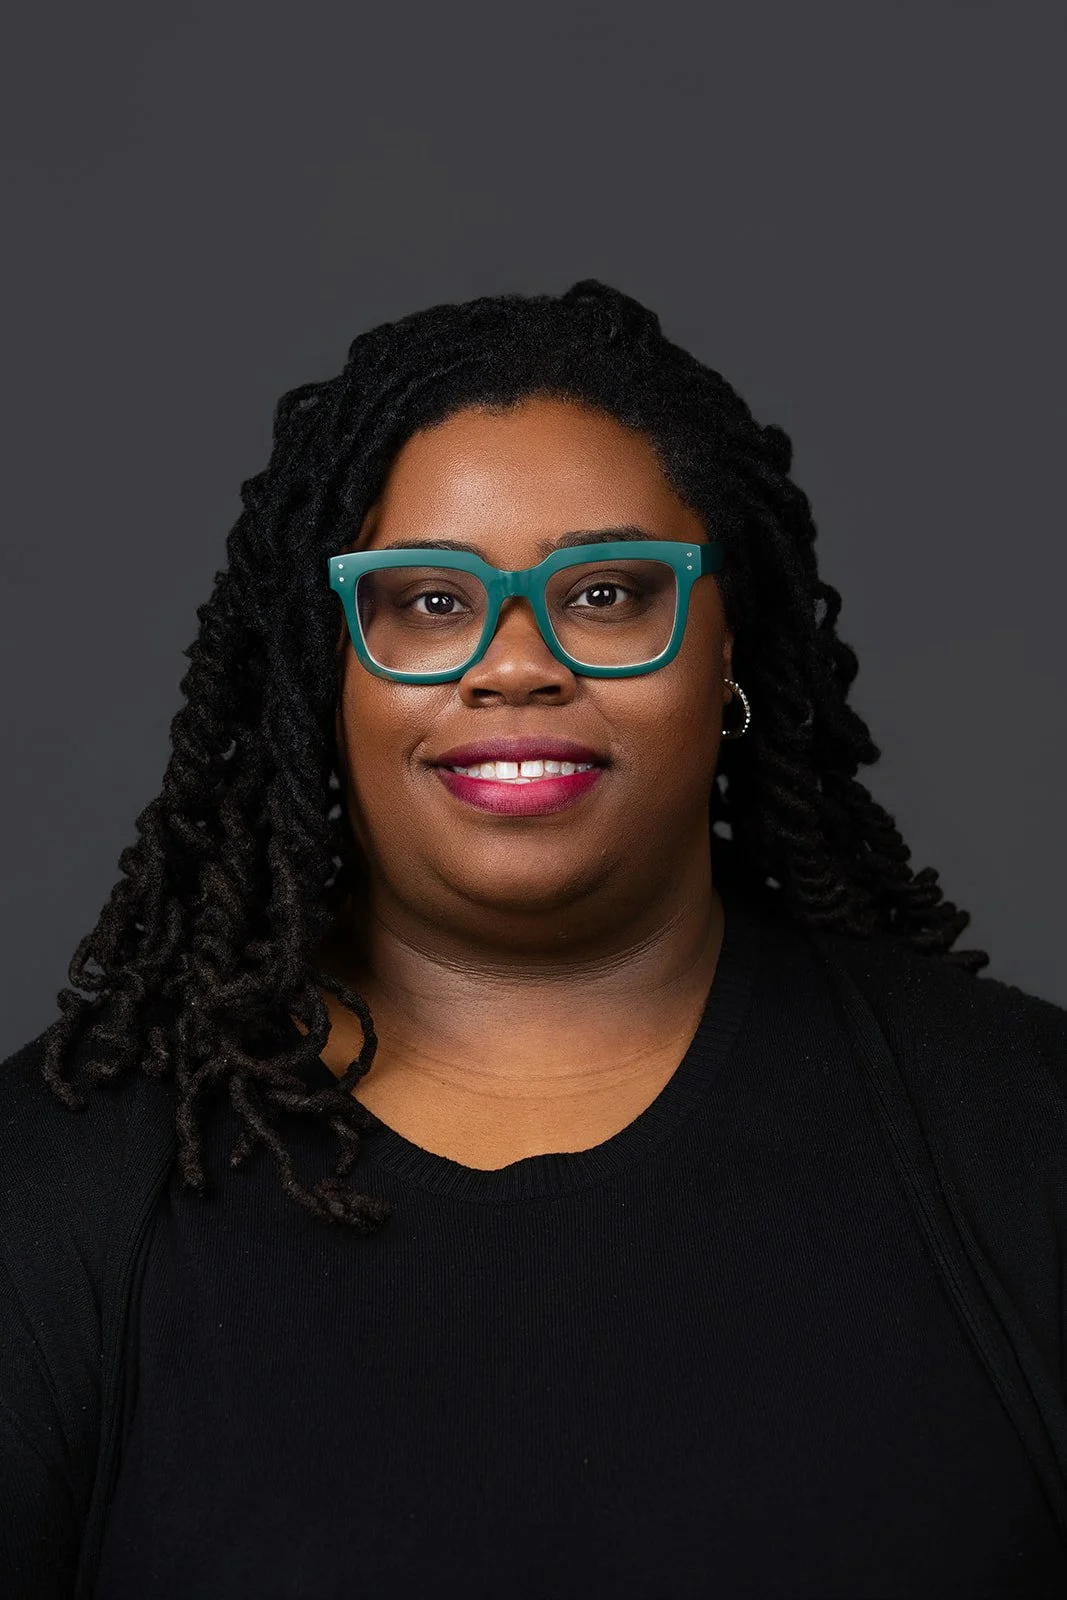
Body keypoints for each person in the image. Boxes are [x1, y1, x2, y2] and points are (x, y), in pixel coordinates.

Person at [2, 278, 1066, 1598]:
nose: (515, 665)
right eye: (429, 602)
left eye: (607, 592)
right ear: (322, 673)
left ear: (727, 649)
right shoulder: (58, 1195)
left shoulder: (1021, 1136)